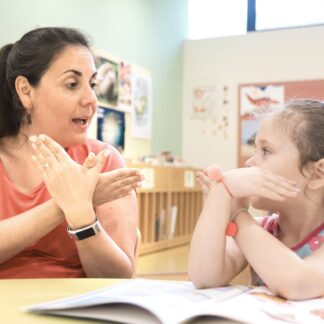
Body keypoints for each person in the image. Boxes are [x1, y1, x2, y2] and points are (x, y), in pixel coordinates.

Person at [0, 27, 144, 278]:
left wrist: (82, 217)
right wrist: (70, 204)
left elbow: (117, 278)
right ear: (25, 90)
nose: (91, 100)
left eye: (92, 84)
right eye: (72, 84)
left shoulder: (104, 160)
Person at [188, 99, 324, 300]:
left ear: (317, 174)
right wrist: (219, 200)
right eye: (255, 150)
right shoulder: (261, 230)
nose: (250, 162)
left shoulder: (249, 229)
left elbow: (299, 283)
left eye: (266, 151)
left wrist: (238, 215)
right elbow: (205, 277)